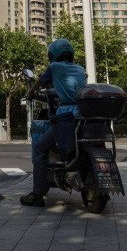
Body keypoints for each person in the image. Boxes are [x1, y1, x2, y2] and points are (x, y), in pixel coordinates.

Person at [20, 38, 87, 208]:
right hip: (82, 113)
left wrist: (30, 93)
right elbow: (72, 88)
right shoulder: (80, 69)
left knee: (41, 147)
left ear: (53, 54)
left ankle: (37, 195)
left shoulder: (54, 67)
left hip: (65, 115)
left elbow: (40, 82)